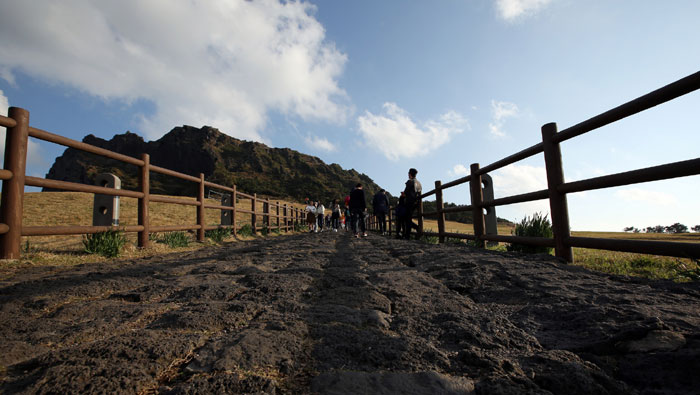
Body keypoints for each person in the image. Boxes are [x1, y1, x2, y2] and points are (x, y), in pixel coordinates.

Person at [402, 168, 422, 240]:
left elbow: (405, 193)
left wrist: (403, 195)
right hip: (416, 202)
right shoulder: (419, 183)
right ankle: (409, 233)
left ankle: (408, 234)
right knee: (408, 218)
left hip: (409, 202)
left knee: (406, 218)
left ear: (410, 174)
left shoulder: (410, 182)